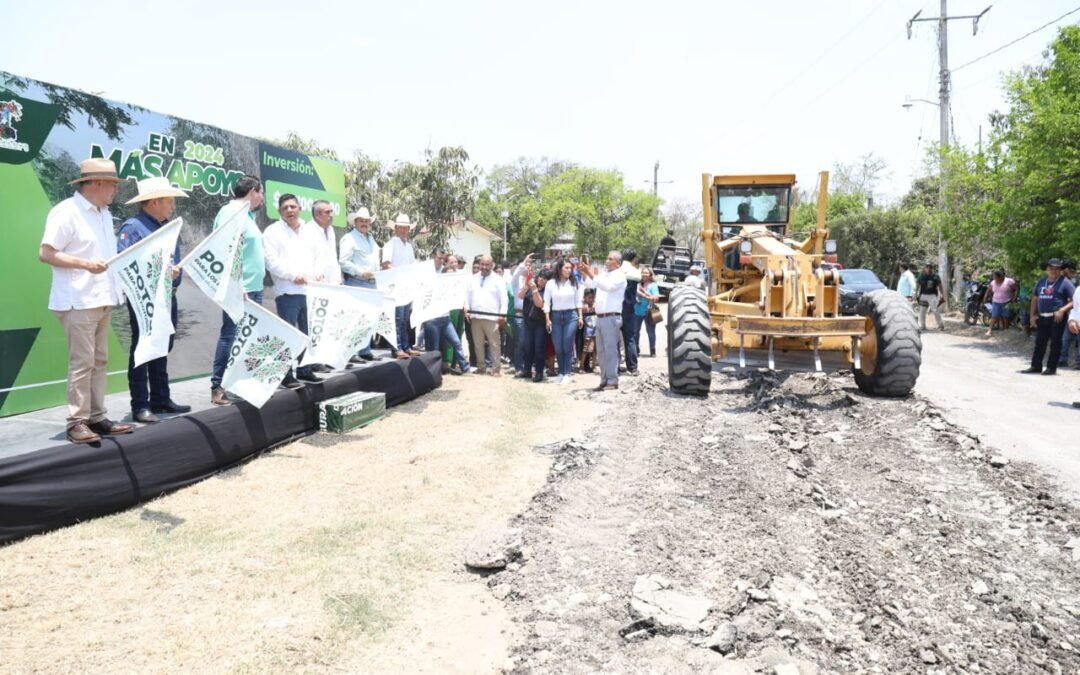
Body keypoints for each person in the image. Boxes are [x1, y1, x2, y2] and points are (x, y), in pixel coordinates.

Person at [38, 158, 134, 443]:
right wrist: (84, 264)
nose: (116, 190)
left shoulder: (103, 213)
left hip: (101, 297)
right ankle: (76, 421)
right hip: (77, 299)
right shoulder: (66, 212)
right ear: (96, 183)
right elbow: (46, 253)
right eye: (113, 185)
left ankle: (97, 417)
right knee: (82, 362)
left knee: (99, 360)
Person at [117, 177, 191, 424]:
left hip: (167, 298)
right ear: (156, 201)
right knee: (143, 349)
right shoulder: (133, 227)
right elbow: (126, 266)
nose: (172, 206)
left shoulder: (167, 227)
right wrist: (160, 274)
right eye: (169, 201)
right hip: (145, 302)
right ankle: (140, 404)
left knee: (161, 348)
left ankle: (161, 398)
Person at [209, 175, 266, 406]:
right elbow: (225, 250)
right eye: (261, 193)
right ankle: (218, 387)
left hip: (255, 288)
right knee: (230, 335)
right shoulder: (230, 212)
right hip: (240, 289)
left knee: (247, 338)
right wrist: (238, 284)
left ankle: (239, 385)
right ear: (253, 191)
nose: (262, 198)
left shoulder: (248, 216)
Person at [263, 193, 327, 386]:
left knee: (307, 333)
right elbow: (271, 262)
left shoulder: (310, 231)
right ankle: (284, 375)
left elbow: (320, 255)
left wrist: (318, 273)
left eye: (293, 207)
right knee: (287, 334)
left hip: (309, 291)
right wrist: (293, 276)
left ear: (300, 208)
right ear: (279, 212)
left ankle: (304, 369)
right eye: (285, 208)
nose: (290, 211)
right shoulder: (272, 232)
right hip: (287, 291)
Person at [580, 251, 627, 391]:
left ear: (617, 263)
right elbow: (590, 283)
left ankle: (612, 380)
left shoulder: (620, 276)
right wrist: (585, 271)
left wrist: (591, 273)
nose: (607, 261)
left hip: (611, 317)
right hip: (600, 317)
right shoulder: (604, 274)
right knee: (601, 351)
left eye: (610, 259)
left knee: (610, 350)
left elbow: (608, 287)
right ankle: (604, 379)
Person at [339, 207, 380, 362]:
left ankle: (364, 350)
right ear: (355, 222)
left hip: (371, 283)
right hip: (357, 282)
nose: (364, 223)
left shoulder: (371, 239)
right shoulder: (349, 238)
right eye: (361, 221)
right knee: (355, 319)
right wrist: (360, 271)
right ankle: (351, 353)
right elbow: (343, 262)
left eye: (366, 221)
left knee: (368, 319)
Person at [1023, 258, 1075, 375]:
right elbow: (1035, 299)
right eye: (1051, 268)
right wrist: (1032, 316)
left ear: (1060, 270)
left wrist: (1062, 310)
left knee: (1055, 342)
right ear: (1046, 269)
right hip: (1042, 317)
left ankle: (1051, 368)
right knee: (1040, 341)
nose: (1054, 271)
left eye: (1057, 269)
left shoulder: (1065, 282)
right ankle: (1036, 366)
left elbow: (1075, 300)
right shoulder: (1041, 282)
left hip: (1057, 317)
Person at [382, 213, 420, 359]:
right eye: (401, 228)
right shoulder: (390, 244)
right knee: (397, 319)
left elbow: (412, 265)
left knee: (405, 319)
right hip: (395, 287)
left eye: (406, 228)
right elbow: (386, 264)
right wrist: (400, 273)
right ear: (396, 228)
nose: (403, 230)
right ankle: (396, 348)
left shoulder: (409, 246)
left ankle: (405, 346)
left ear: (409, 229)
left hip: (406, 287)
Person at [544, 258, 584, 385]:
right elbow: (547, 302)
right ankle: (560, 372)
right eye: (566, 267)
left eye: (570, 268)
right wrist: (547, 319)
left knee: (567, 344)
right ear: (560, 269)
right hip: (555, 316)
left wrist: (581, 317)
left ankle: (567, 372)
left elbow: (578, 301)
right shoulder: (551, 283)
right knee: (558, 346)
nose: (569, 270)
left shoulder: (574, 283)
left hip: (571, 315)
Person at [465, 255, 508, 376]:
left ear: (492, 265)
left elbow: (504, 299)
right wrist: (467, 309)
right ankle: (481, 367)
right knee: (478, 344)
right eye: (482, 264)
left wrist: (502, 314)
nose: (484, 267)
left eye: (487, 265)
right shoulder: (472, 279)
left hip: (492, 317)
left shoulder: (498, 280)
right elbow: (467, 296)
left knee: (494, 344)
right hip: (475, 317)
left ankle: (496, 368)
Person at [520, 269, 552, 382]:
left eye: (545, 279)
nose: (542, 280)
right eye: (541, 277)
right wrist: (526, 285)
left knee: (539, 349)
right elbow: (520, 296)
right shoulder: (532, 286)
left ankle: (539, 372)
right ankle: (527, 370)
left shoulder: (547, 292)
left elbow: (539, 304)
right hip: (528, 321)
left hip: (540, 323)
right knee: (527, 347)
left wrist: (534, 289)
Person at [620, 249, 642, 376]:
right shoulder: (635, 272)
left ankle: (616, 365)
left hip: (616, 309)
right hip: (629, 309)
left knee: (615, 340)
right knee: (630, 338)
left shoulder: (617, 271)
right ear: (634, 258)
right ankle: (633, 368)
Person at [983, 269, 1017, 338]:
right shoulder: (993, 282)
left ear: (1001, 277)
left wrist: (1014, 298)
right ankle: (989, 330)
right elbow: (989, 290)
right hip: (996, 301)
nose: (995, 280)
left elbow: (1016, 289)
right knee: (994, 316)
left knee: (1005, 316)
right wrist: (985, 297)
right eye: (994, 278)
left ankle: (1005, 329)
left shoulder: (1009, 281)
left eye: (996, 278)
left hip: (1007, 301)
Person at [636, 266, 660, 357]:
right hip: (637, 311)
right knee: (635, 332)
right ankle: (636, 349)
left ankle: (652, 350)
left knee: (651, 332)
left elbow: (656, 298)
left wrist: (646, 294)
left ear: (650, 275)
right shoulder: (638, 284)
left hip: (649, 311)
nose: (644, 275)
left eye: (646, 273)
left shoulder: (653, 285)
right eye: (643, 273)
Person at [1060, 260, 1079, 366]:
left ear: (1067, 269)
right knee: (1065, 337)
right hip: (1070, 312)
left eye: (1062, 269)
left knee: (1076, 339)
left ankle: (1077, 361)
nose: (1061, 271)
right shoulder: (1065, 280)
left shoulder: (1076, 279)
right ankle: (1063, 360)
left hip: (1076, 311)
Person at [916, 263, 945, 331]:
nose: (928, 269)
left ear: (932, 268)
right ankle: (923, 326)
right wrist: (916, 293)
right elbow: (918, 285)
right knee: (922, 312)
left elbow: (940, 286)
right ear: (924, 268)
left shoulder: (935, 276)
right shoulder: (921, 276)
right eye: (927, 267)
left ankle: (941, 325)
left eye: (930, 267)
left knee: (935, 311)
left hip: (932, 295)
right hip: (923, 295)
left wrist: (942, 294)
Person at [578, 289, 598, 373]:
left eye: (593, 298)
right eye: (589, 297)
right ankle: (581, 366)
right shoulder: (584, 307)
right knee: (586, 349)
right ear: (584, 298)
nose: (591, 299)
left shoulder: (595, 306)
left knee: (595, 350)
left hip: (596, 332)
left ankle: (593, 366)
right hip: (588, 332)